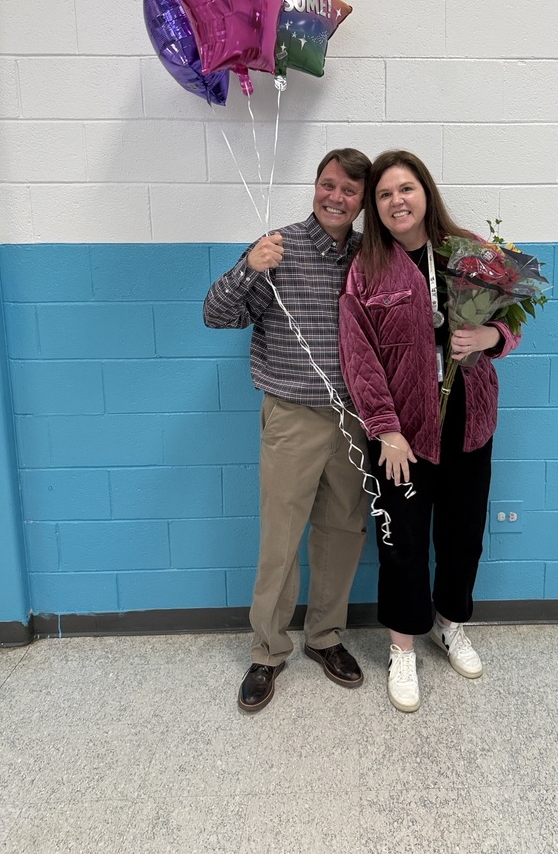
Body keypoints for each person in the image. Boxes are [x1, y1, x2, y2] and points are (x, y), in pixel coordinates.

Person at [338, 150, 520, 713]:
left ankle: (450, 623)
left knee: (463, 534)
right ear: (375, 206)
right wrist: (386, 430)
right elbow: (359, 358)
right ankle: (402, 647)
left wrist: (490, 339)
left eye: (406, 188)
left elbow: (512, 321)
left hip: (469, 422)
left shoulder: (468, 253)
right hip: (403, 437)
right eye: (385, 194)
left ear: (426, 192)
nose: (397, 200)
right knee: (404, 543)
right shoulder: (368, 269)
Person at [204, 148, 371, 712]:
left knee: (343, 533)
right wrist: (249, 265)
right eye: (328, 185)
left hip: (354, 417)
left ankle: (325, 638)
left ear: (362, 200)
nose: (336, 198)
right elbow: (216, 314)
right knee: (280, 540)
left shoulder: (372, 257)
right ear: (315, 187)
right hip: (293, 416)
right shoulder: (276, 246)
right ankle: (267, 651)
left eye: (350, 190)